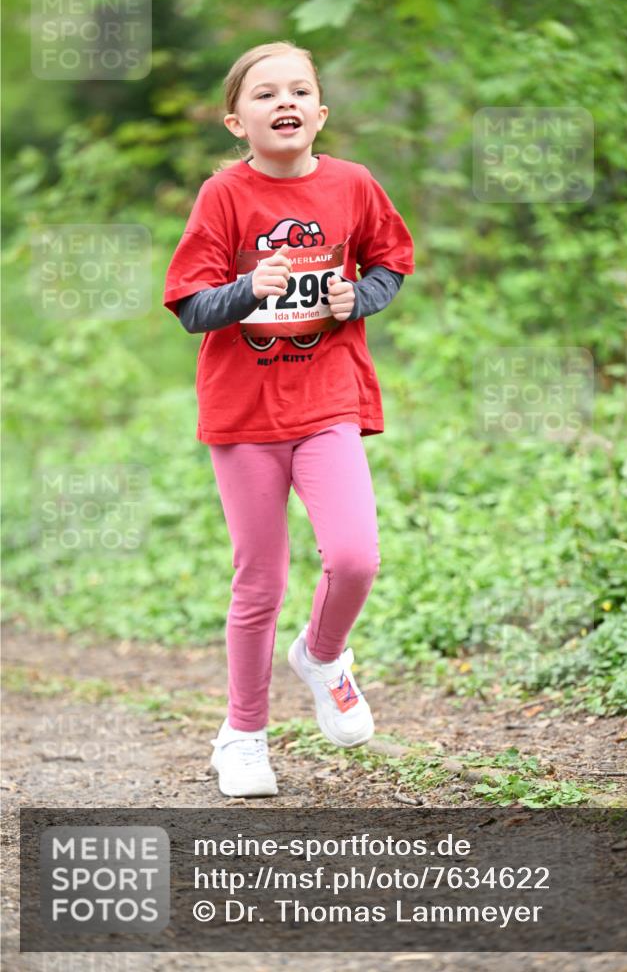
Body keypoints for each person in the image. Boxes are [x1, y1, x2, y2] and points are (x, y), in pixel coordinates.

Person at [163, 40, 415, 798]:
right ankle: (244, 735)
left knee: (355, 556)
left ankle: (322, 653)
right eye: (265, 94)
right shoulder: (223, 197)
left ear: (320, 112)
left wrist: (356, 298)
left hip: (327, 401)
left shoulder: (352, 184)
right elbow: (189, 306)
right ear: (236, 121)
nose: (285, 103)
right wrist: (247, 289)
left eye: (299, 91)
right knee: (260, 580)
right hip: (243, 415)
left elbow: (389, 261)